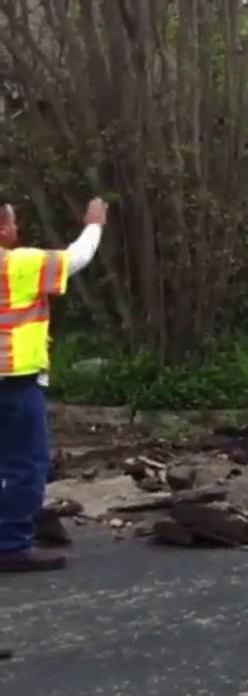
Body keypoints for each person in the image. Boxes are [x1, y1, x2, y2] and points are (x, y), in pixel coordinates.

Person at [0, 198, 106, 573]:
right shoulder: (18, 263)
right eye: (12, 223)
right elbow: (76, 258)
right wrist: (94, 223)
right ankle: (11, 545)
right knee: (26, 465)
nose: (17, 230)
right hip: (13, 382)